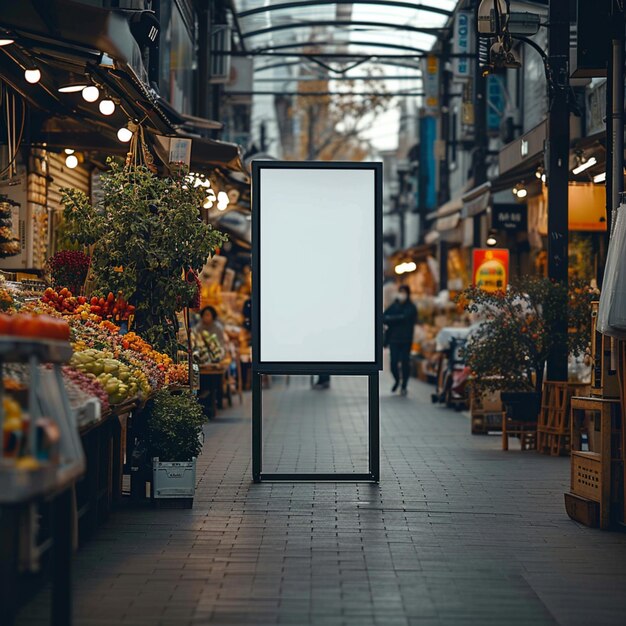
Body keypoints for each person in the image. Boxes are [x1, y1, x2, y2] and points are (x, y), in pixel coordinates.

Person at [383, 285, 418, 396]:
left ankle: (404, 385)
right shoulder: (394, 305)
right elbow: (384, 317)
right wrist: (397, 318)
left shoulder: (411, 307)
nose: (401, 294)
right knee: (393, 363)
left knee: (405, 362)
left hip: (406, 340)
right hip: (394, 339)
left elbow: (405, 318)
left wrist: (392, 319)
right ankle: (397, 380)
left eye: (403, 292)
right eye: (400, 292)